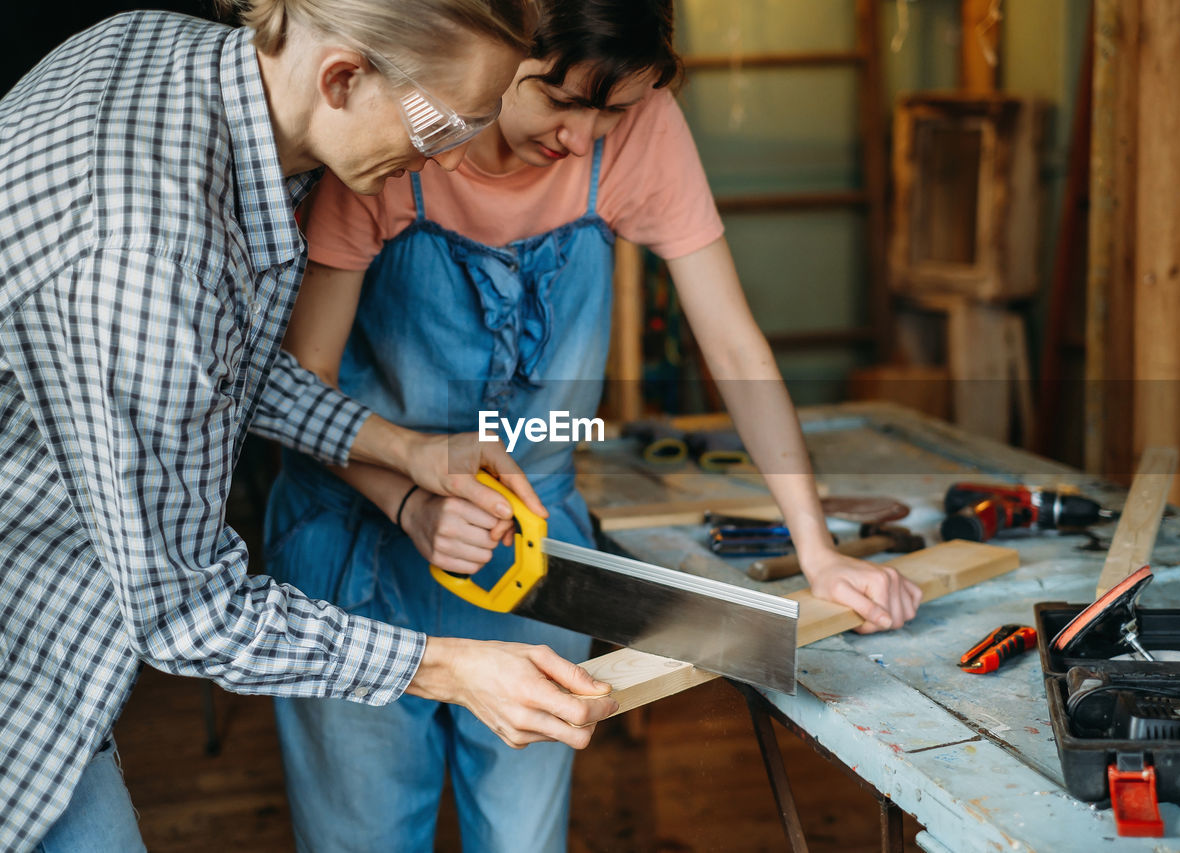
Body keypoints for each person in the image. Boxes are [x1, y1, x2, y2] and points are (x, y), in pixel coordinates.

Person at [265, 0, 927, 849]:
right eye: (557, 98)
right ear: (496, 52)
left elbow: (733, 344)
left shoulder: (641, 126)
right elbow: (296, 386)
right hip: (358, 546)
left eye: (611, 111)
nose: (582, 137)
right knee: (365, 834)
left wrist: (817, 547)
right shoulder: (396, 134)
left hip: (539, 555)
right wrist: (410, 502)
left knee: (524, 835)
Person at [0, 2, 621, 850]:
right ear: (342, 78)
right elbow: (190, 612)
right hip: (23, 666)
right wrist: (445, 664)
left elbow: (218, 373)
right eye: (445, 123)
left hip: (54, 645)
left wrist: (407, 450)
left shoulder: (173, 60)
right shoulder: (148, 250)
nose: (446, 158)